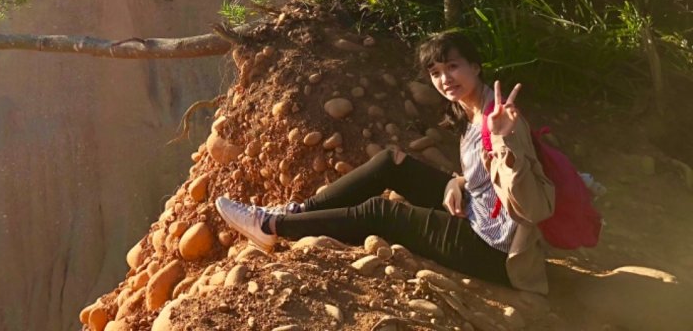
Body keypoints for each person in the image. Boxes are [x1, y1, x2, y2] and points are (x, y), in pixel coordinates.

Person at [215, 30, 556, 294]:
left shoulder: (503, 123)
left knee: (380, 212)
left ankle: (271, 227)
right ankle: (297, 212)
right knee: (392, 162)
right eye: (436, 72)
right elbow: (485, 176)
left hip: (497, 251)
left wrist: (503, 142)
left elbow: (530, 206)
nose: (445, 79)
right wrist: (458, 182)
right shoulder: (471, 110)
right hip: (477, 211)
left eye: (453, 66)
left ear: (476, 66)